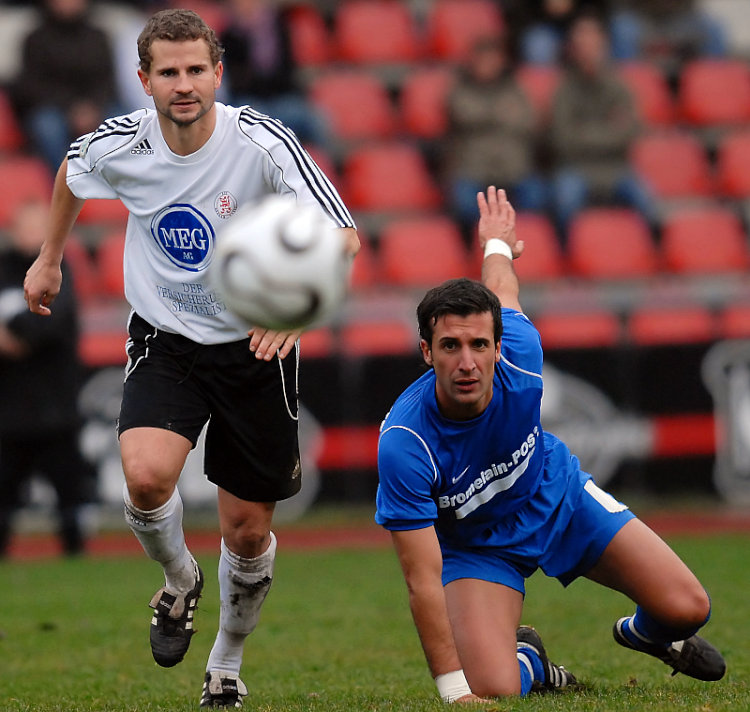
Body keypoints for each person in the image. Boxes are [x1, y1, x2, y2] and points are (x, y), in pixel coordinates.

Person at [23, 9, 358, 709]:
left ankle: (226, 667)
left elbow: (344, 237)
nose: (183, 85)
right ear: (143, 80)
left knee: (248, 531)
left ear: (218, 73)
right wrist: (49, 259)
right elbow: (70, 170)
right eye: (168, 72)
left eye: (195, 70)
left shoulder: (263, 142)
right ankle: (179, 581)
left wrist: (292, 311)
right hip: (166, 338)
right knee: (145, 481)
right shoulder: (121, 143)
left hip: (254, 348)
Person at [375, 186, 725, 702]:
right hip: (478, 549)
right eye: (450, 346)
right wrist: (454, 693)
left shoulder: (521, 352)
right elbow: (421, 579)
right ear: (427, 352)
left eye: (479, 344)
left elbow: (502, 288)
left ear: (498, 346)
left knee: (689, 608)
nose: (467, 362)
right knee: (493, 688)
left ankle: (645, 634)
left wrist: (496, 243)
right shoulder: (404, 443)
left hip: (557, 496)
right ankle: (531, 662)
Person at [0, 200, 94, 557]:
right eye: (28, 226)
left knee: (70, 496)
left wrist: (17, 334)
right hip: (8, 414)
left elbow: (49, 326)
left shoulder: (59, 270)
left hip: (56, 410)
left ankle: (76, 559)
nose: (34, 234)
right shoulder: (4, 269)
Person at [549, 11, 655, 239]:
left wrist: (584, 133)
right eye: (581, 43)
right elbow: (562, 139)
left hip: (617, 168)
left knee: (648, 201)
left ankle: (652, 257)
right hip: (576, 168)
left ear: (604, 45)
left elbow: (629, 132)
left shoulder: (620, 87)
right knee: (565, 200)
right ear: (573, 49)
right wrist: (608, 132)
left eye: (592, 42)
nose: (588, 49)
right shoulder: (563, 91)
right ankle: (567, 252)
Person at [443, 35, 548, 241]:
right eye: (482, 60)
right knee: (464, 202)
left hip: (514, 169)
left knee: (537, 196)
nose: (487, 66)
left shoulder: (516, 88)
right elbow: (462, 113)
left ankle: (523, 246)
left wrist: (484, 117)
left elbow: (529, 120)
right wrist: (501, 113)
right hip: (473, 169)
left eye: (492, 59)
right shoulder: (460, 88)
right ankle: (473, 246)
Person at [9, 0, 118, 172]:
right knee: (46, 127)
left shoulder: (98, 37)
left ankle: (121, 182)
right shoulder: (35, 39)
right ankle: (65, 182)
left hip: (97, 105)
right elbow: (33, 86)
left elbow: (108, 81)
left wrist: (93, 106)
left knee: (127, 122)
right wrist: (72, 109)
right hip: (55, 108)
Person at [219, 0, 329, 147]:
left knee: (312, 117)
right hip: (249, 100)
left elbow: (287, 71)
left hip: (281, 98)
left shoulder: (280, 29)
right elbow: (236, 80)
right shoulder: (230, 37)